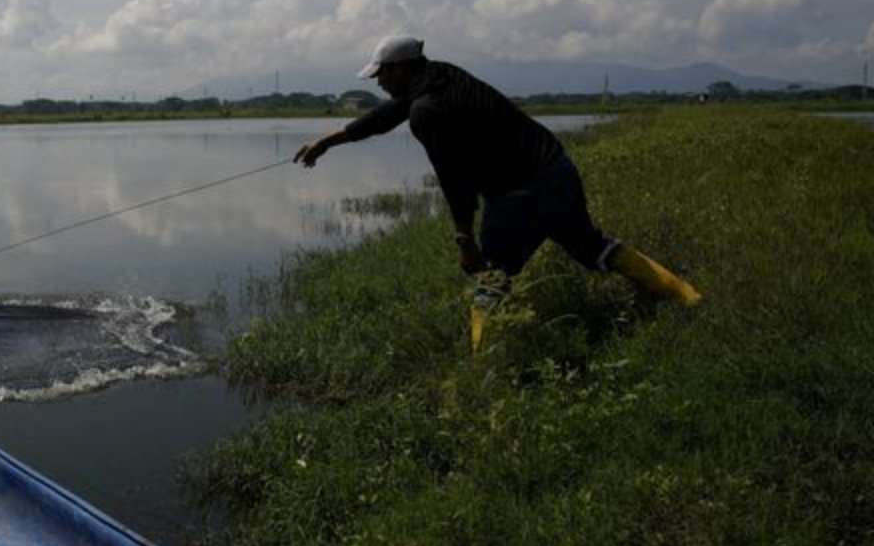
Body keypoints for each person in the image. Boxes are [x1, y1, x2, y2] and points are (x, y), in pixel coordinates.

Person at [295, 34, 701, 350]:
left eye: (382, 74)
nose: (379, 82)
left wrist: (464, 239)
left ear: (402, 69)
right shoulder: (442, 74)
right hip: (557, 168)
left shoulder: (426, 112)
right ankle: (686, 297)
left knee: (490, 280)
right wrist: (328, 141)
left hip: (517, 193)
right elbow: (385, 117)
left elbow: (454, 180)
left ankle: (483, 365)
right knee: (593, 247)